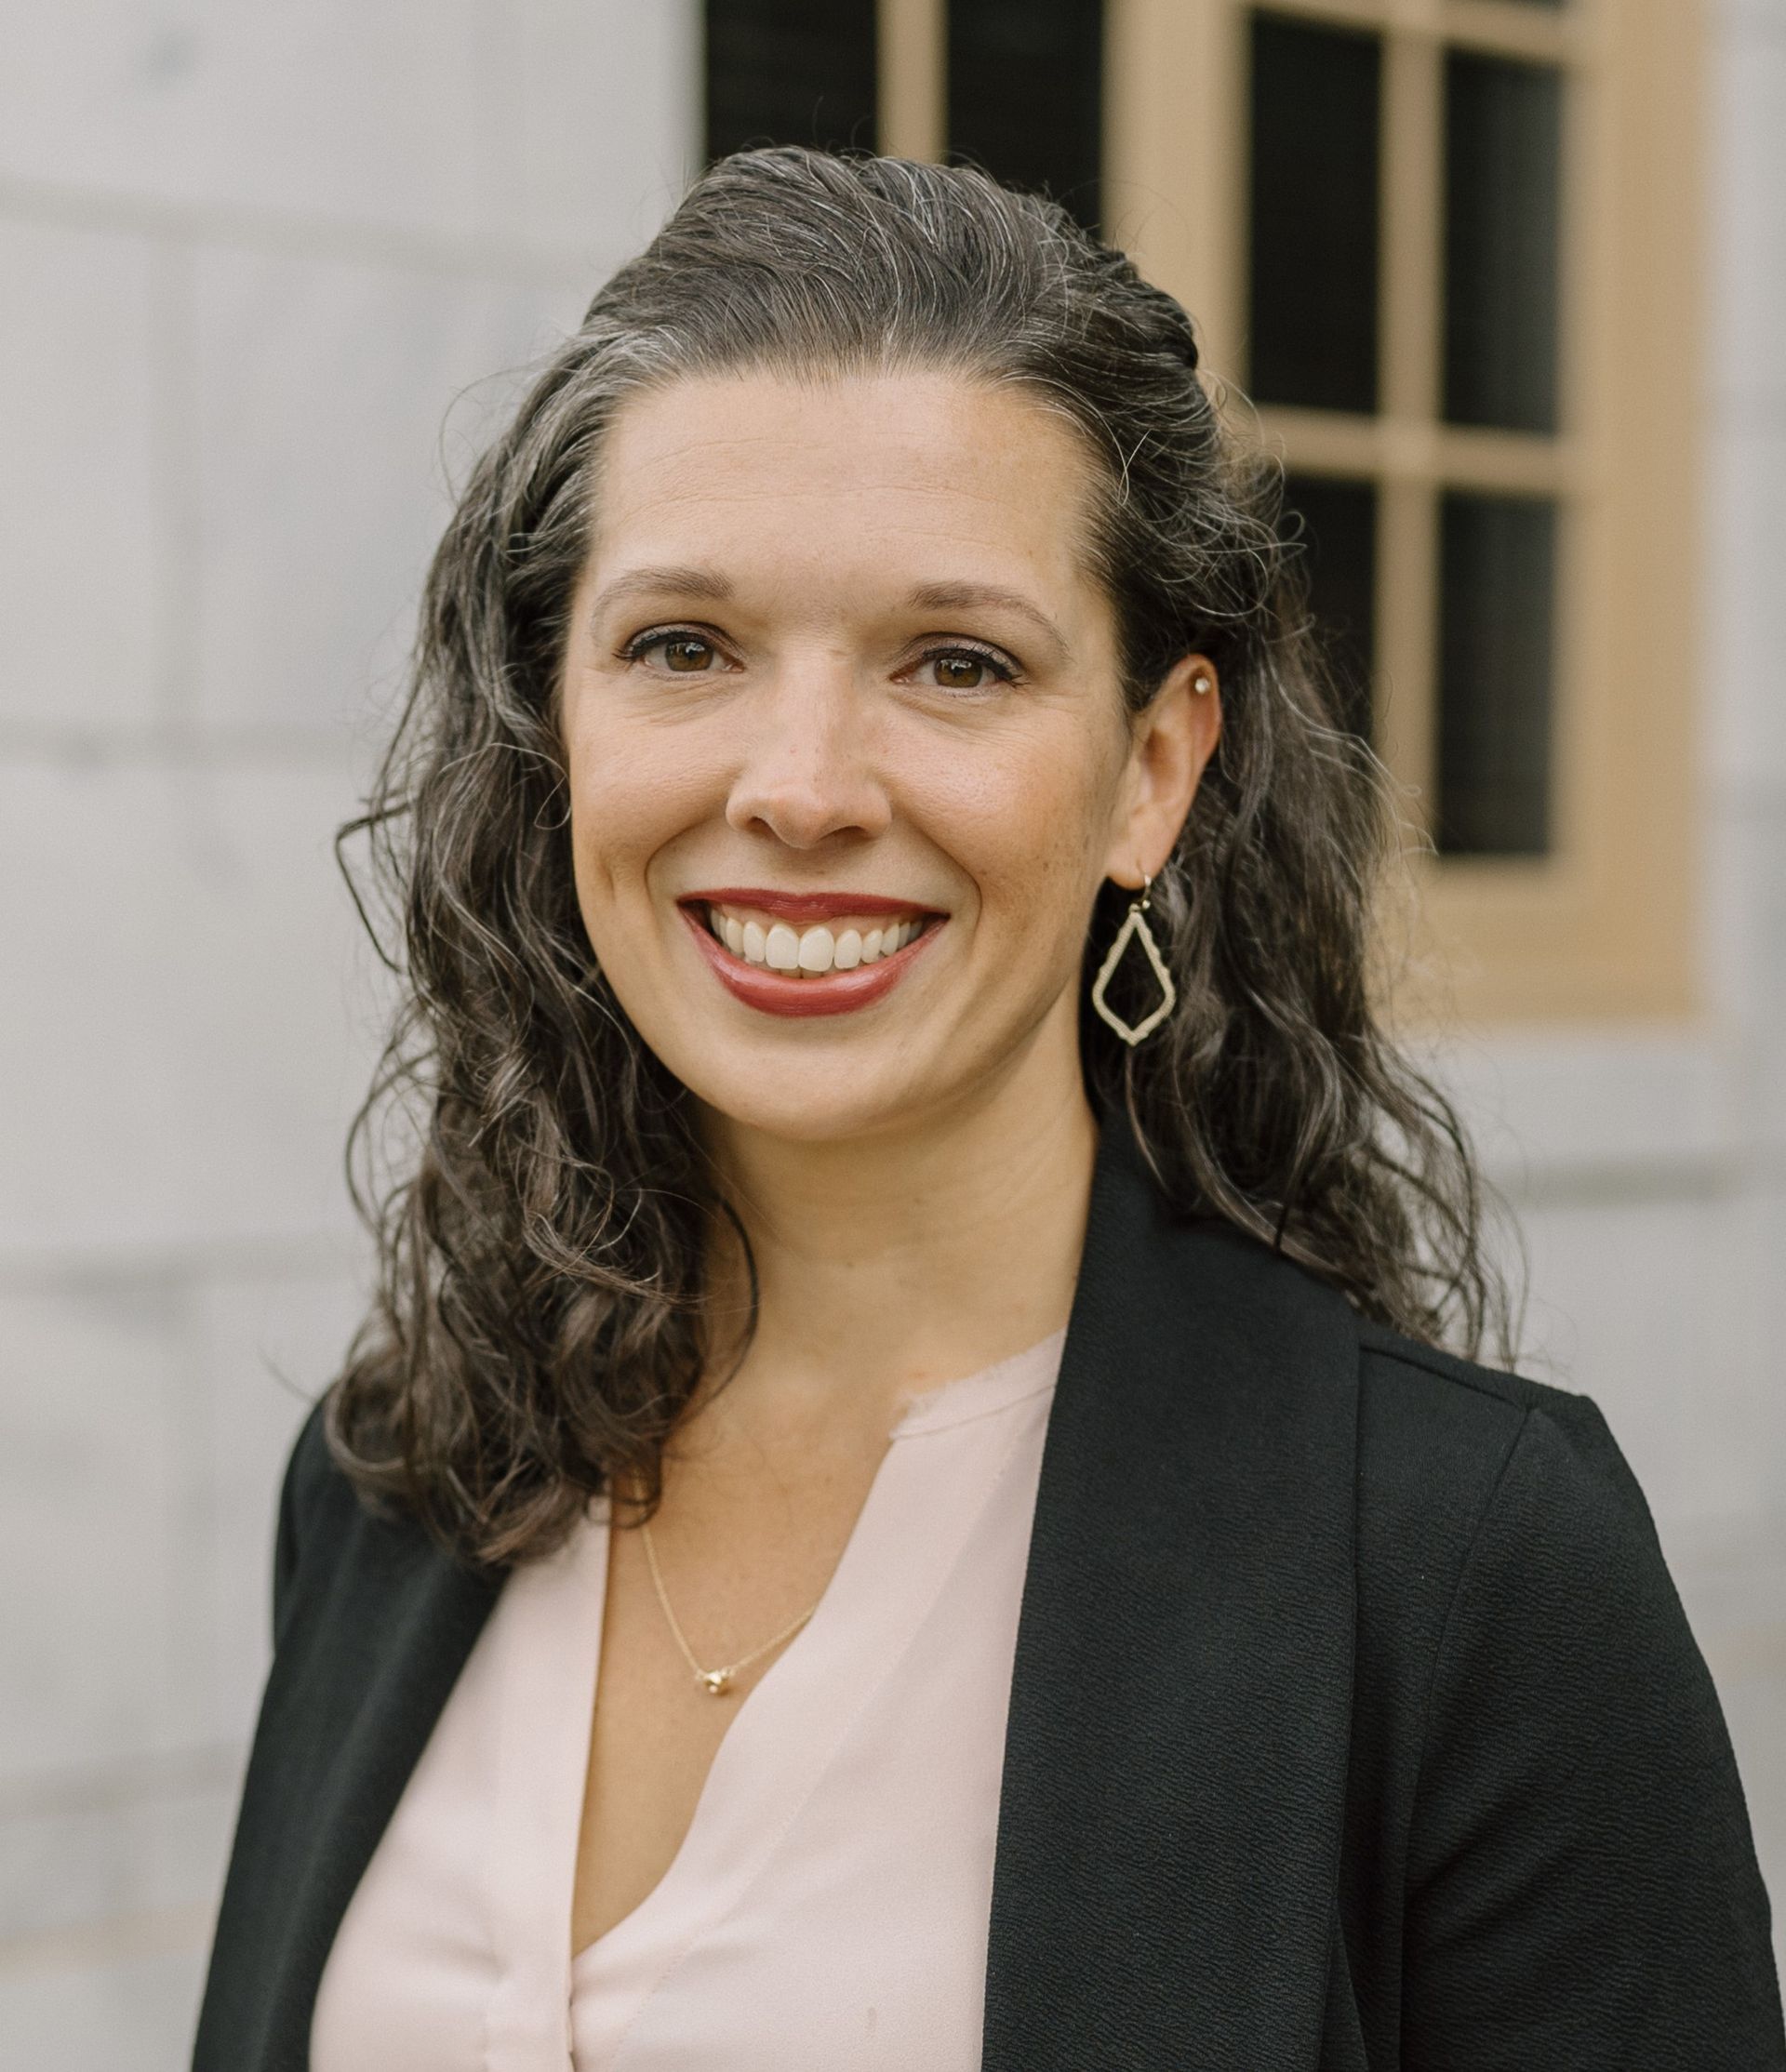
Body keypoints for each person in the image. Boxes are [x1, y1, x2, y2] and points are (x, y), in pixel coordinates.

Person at [193, 148, 1785, 2071]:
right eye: (683, 646)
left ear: (1152, 770)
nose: (800, 784)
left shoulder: (1467, 1567)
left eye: (957, 663)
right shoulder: (393, 1479)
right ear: (561, 727)